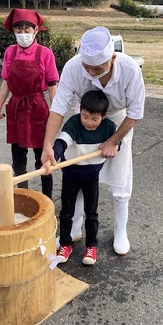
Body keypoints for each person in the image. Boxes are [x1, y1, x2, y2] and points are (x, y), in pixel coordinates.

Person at [41, 26, 145, 255]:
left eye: (98, 68)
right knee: (78, 175)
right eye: (87, 67)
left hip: (118, 121)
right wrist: (48, 145)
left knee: (120, 181)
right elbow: (59, 107)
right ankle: (75, 230)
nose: (91, 72)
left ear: (113, 58)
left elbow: (135, 112)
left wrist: (114, 140)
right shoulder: (73, 67)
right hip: (83, 120)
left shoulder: (129, 69)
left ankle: (121, 231)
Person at [0, 8, 59, 199]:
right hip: (16, 107)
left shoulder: (45, 54)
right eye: (18, 30)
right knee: (18, 158)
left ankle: (47, 200)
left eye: (26, 30)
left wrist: (55, 114)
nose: (22, 34)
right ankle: (23, 196)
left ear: (36, 31)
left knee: (42, 158)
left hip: (37, 107)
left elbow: (53, 85)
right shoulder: (10, 53)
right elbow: (6, 83)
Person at [44, 91, 117, 266]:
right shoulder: (74, 123)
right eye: (85, 116)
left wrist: (114, 146)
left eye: (94, 119)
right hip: (70, 174)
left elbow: (115, 143)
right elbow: (63, 141)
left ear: (103, 116)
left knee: (91, 213)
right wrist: (53, 155)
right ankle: (65, 244)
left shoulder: (108, 127)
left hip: (91, 176)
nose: (89, 122)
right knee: (66, 212)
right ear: (80, 112)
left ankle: (91, 246)